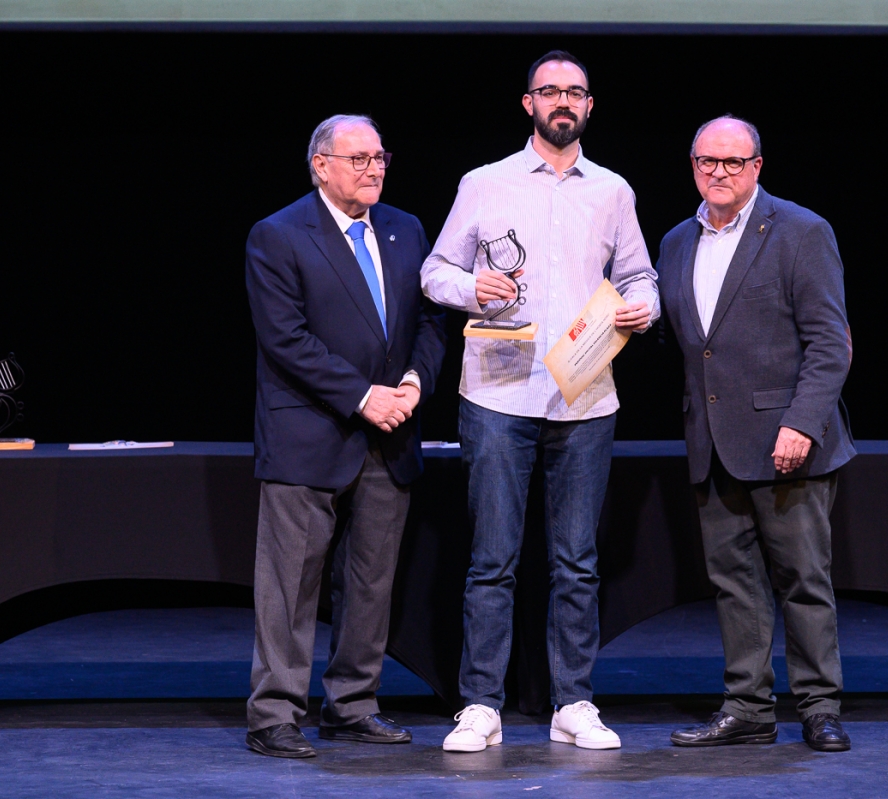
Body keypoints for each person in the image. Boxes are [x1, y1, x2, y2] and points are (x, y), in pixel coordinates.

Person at [421, 50, 658, 752]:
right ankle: (481, 703)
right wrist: (473, 289)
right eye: (550, 90)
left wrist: (641, 309)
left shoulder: (612, 191)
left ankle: (573, 701)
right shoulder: (485, 183)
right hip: (498, 392)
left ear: (589, 107)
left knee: (576, 558)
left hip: (585, 393)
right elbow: (436, 271)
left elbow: (641, 277)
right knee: (492, 556)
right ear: (528, 103)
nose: (563, 101)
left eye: (575, 92)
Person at [243, 114, 446, 758]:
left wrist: (414, 382)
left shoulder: (405, 228)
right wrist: (363, 397)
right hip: (311, 434)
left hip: (393, 433)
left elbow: (432, 319)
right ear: (320, 166)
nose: (373, 168)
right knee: (290, 584)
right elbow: (286, 340)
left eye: (380, 156)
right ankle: (275, 712)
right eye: (358, 158)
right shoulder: (278, 235)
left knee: (371, 580)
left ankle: (352, 704)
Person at [657, 116, 855, 752]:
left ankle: (819, 707)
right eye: (707, 161)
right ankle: (748, 707)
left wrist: (802, 421)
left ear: (757, 167)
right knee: (734, 585)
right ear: (693, 165)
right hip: (712, 442)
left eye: (733, 163)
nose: (719, 172)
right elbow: (694, 344)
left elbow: (831, 342)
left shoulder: (801, 231)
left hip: (786, 442)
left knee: (803, 580)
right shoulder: (675, 243)